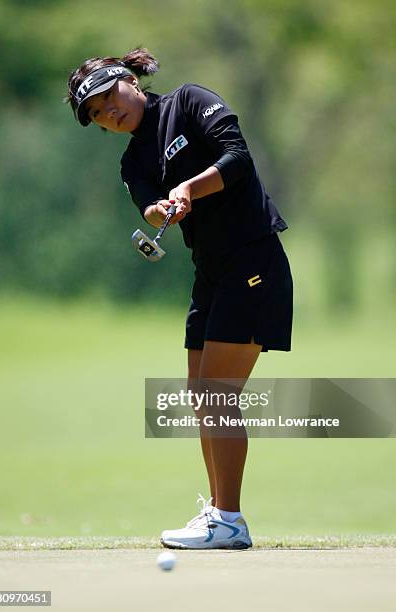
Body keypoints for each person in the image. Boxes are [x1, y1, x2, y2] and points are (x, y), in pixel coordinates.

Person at [66, 47, 293, 550]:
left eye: (109, 97)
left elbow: (236, 158)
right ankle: (220, 515)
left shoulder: (189, 103)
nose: (110, 113)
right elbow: (147, 203)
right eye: (99, 114)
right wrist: (157, 210)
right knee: (201, 395)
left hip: (253, 259)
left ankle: (229, 520)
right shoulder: (133, 161)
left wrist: (190, 186)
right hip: (211, 272)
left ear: (129, 80)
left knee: (216, 394)